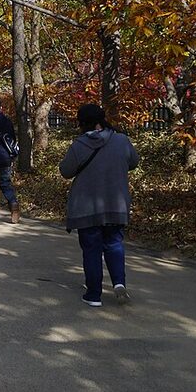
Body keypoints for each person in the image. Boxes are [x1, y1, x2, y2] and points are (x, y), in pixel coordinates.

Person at [59, 103, 140, 307]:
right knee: (114, 243)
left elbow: (66, 171)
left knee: (92, 249)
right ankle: (119, 283)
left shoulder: (79, 145)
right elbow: (133, 162)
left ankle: (94, 295)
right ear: (101, 119)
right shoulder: (121, 140)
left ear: (82, 123)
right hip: (116, 202)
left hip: (87, 207)